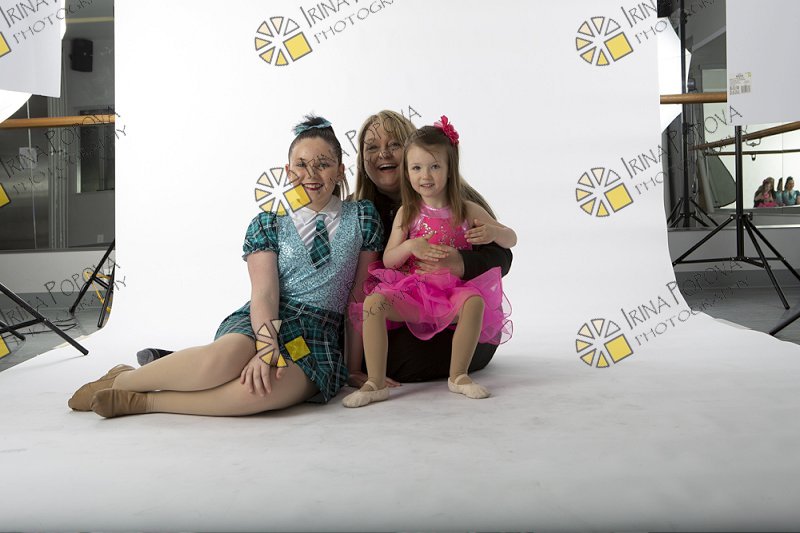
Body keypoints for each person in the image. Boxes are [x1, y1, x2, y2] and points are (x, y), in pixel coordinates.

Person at [67, 115, 383, 418]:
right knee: (223, 360)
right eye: (301, 164)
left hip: (311, 339)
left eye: (323, 164)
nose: (311, 174)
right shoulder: (269, 222)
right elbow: (264, 294)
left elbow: (358, 299)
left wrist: (354, 367)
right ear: (287, 171)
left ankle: (144, 402)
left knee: (263, 388)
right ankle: (124, 379)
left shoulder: (362, 218)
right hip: (266, 318)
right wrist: (266, 347)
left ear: (340, 170)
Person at [342, 117, 515, 408]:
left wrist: (472, 252)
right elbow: (389, 260)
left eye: (394, 144)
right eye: (372, 147)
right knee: (374, 305)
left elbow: (505, 249)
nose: (383, 153)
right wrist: (410, 246)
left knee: (473, 304)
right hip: (415, 292)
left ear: (449, 168)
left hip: (452, 294)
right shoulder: (375, 211)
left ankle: (458, 376)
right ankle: (375, 382)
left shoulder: (465, 206)